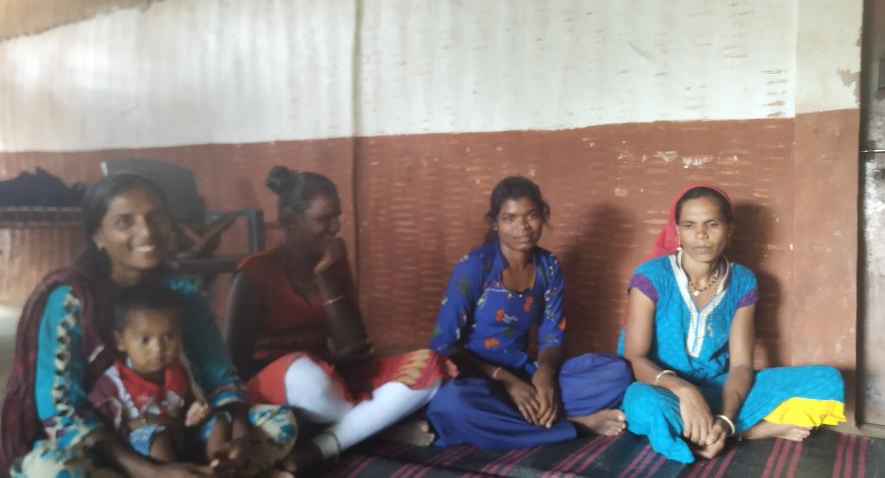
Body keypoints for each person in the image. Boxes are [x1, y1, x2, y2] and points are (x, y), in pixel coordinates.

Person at [0, 173, 297, 478]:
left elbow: (217, 373)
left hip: (173, 433)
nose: (146, 232)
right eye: (125, 222)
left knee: (278, 423)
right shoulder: (73, 300)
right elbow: (60, 407)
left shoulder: (181, 292)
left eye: (155, 217)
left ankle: (211, 470)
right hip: (104, 447)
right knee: (47, 469)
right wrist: (149, 472)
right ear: (97, 236)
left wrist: (239, 435)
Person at [225, 166, 450, 472]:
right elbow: (235, 363)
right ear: (292, 221)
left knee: (431, 366)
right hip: (277, 386)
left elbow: (355, 345)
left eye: (337, 217)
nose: (335, 228)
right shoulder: (255, 273)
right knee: (306, 376)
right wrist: (298, 366)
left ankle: (320, 447)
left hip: (331, 378)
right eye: (324, 218)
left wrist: (327, 280)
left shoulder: (334, 265)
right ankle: (374, 427)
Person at [620, 186, 846, 463]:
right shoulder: (652, 275)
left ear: (729, 229)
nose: (701, 234)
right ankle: (749, 431)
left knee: (827, 380)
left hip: (719, 387)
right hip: (662, 388)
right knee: (643, 403)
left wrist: (726, 419)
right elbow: (634, 356)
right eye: (689, 225)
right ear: (677, 231)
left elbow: (740, 365)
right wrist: (685, 391)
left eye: (712, 224)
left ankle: (718, 431)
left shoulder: (742, 282)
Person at [425, 176, 633, 450]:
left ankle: (521, 421)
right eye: (509, 218)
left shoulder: (548, 267)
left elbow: (552, 337)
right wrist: (506, 381)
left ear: (543, 215)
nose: (522, 227)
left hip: (525, 372)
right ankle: (576, 424)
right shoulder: (476, 267)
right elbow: (442, 346)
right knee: (453, 405)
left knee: (616, 373)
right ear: (495, 223)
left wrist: (544, 374)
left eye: (531, 215)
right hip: (476, 379)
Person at [87, 282, 230, 463]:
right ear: (120, 341)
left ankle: (219, 467)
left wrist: (195, 412)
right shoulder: (112, 385)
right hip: (141, 455)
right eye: (145, 340)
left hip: (180, 437)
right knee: (156, 438)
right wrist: (147, 422)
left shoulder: (177, 370)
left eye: (169, 336)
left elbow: (186, 407)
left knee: (218, 421)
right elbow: (102, 433)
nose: (158, 349)